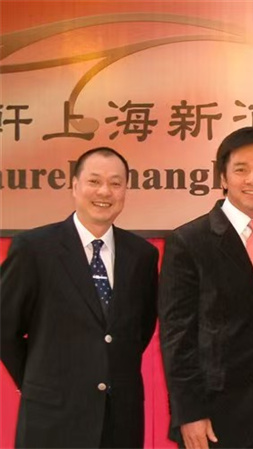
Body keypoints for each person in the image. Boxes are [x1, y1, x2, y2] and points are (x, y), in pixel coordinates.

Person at [0, 147, 159, 448]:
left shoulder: (142, 255)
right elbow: (4, 326)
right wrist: (36, 381)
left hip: (119, 421)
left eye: (115, 183)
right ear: (74, 186)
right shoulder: (34, 248)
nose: (105, 191)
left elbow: (140, 330)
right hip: (52, 419)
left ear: (125, 190)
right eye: (94, 181)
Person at [158, 127, 253, 449]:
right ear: (222, 177)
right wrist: (189, 412)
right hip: (213, 415)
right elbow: (177, 335)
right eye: (241, 169)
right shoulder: (189, 241)